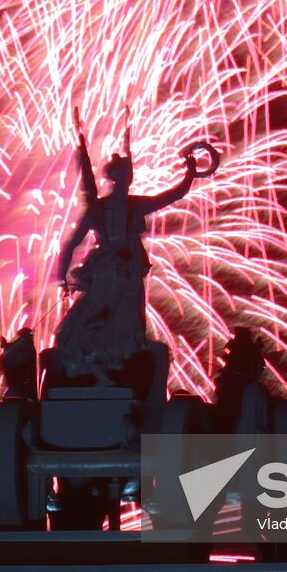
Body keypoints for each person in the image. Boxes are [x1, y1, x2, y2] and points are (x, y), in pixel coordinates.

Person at [48, 124, 217, 386]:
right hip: (120, 273)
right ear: (125, 178)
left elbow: (71, 244)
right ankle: (107, 364)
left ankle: (101, 364)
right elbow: (173, 194)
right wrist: (189, 174)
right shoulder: (126, 206)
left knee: (110, 317)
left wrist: (62, 277)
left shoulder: (103, 207)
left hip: (111, 270)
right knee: (122, 320)